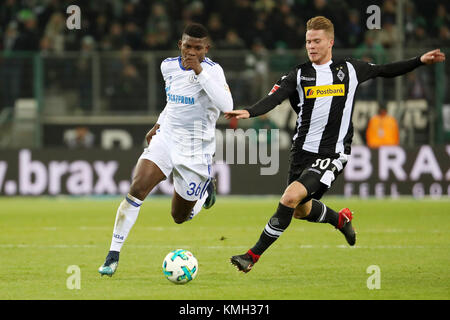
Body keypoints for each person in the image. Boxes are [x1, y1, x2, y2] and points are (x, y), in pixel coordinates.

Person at [225, 16, 445, 273]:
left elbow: (386, 69)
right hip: (301, 153)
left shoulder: (350, 70)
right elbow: (274, 98)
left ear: (330, 42)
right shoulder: (299, 74)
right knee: (299, 210)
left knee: (290, 198)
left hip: (333, 153)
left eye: (317, 41)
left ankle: (251, 256)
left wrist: (419, 61)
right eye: (308, 41)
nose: (311, 46)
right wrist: (250, 112)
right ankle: (340, 219)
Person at [98, 23, 233, 276]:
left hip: (195, 149)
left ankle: (204, 192)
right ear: (179, 45)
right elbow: (173, 101)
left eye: (197, 47)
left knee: (179, 216)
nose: (191, 51)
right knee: (137, 188)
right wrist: (158, 123)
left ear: (206, 49)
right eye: (187, 46)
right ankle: (113, 255)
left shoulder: (213, 71)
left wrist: (199, 71)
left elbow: (227, 105)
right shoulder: (167, 66)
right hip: (167, 137)